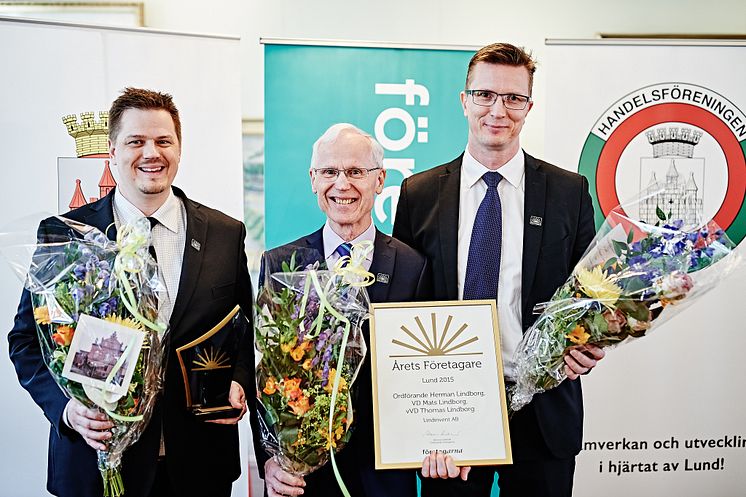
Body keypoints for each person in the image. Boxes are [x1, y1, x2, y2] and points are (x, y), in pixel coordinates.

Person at [8, 87, 259, 497]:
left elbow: (243, 331)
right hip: (97, 463)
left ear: (179, 148)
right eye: (135, 142)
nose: (151, 153)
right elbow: (26, 342)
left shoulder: (225, 234)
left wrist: (240, 380)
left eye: (163, 141)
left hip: (199, 464)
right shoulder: (65, 236)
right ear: (111, 150)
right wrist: (68, 410)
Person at [392, 43, 605, 497]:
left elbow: (594, 294)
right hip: (448, 409)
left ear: (529, 107)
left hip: (543, 407)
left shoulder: (569, 191)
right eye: (485, 95)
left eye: (513, 98)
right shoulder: (419, 193)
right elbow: (405, 306)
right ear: (464, 100)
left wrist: (592, 342)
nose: (498, 110)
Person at [258, 123, 430, 497]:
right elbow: (264, 369)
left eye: (355, 172)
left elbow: (425, 368)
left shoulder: (414, 266)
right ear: (313, 180)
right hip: (302, 473)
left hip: (385, 471)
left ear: (380, 180)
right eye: (329, 172)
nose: (342, 184)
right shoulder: (279, 264)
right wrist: (270, 459)